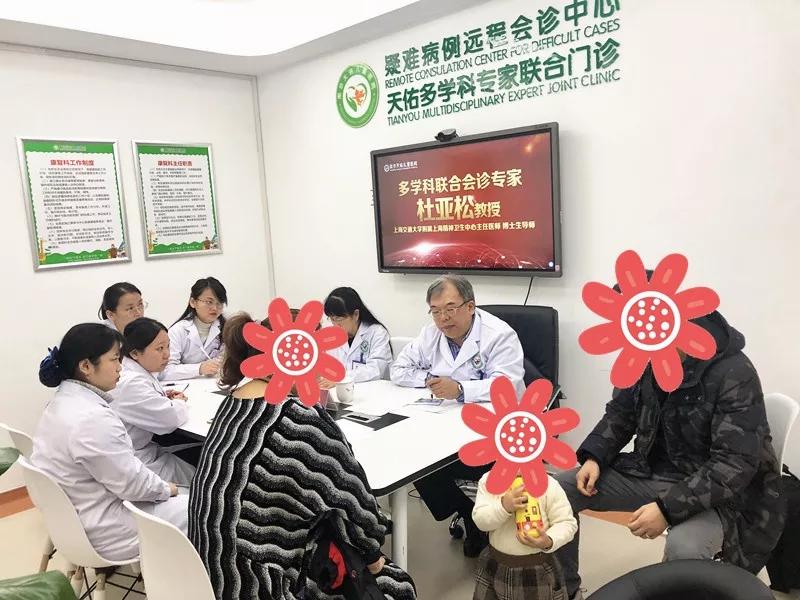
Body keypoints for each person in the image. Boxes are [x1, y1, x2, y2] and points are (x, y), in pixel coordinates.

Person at [554, 308, 785, 600]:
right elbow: (621, 414)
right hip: (654, 471)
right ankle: (564, 590)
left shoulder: (733, 371)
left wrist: (667, 509)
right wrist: (595, 457)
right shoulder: (642, 357)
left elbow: (734, 464)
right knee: (558, 491)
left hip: (726, 496)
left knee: (684, 546)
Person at [189, 312, 416, 600]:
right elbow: (356, 506)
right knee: (397, 586)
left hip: (210, 571)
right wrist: (373, 555)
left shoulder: (235, 401)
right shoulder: (297, 418)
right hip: (257, 584)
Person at [390, 274, 525, 557]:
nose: (443, 319)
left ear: (470, 306)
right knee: (414, 454)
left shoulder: (499, 335)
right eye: (435, 311)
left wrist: (462, 389)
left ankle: (483, 515)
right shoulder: (430, 334)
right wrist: (430, 380)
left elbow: (508, 386)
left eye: (450, 309)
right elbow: (399, 370)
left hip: (497, 424)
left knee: (442, 457)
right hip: (445, 418)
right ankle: (469, 513)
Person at [31, 323, 188, 561]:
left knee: (191, 493)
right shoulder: (91, 418)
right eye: (114, 359)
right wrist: (169, 489)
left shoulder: (61, 402)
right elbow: (134, 486)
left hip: (76, 519)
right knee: (209, 507)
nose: (120, 367)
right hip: (109, 529)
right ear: (86, 366)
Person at [111, 317, 195, 484]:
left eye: (168, 346)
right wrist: (179, 402)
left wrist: (160, 396)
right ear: (135, 353)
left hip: (142, 449)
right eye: (159, 348)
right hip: (135, 463)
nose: (167, 354)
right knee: (201, 474)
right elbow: (170, 419)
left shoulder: (134, 370)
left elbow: (143, 399)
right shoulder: (132, 382)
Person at [472, 474, 577, 600]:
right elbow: (481, 521)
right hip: (494, 563)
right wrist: (503, 506)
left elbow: (567, 523)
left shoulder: (549, 485)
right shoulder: (489, 481)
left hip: (537, 568)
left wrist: (549, 540)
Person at [320, 286, 392, 385]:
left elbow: (376, 369)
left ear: (356, 314)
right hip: (341, 390)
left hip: (372, 389)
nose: (336, 324)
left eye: (339, 319)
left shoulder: (377, 332)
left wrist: (342, 378)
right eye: (332, 319)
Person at [162, 276, 227, 381]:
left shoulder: (226, 328)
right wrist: (199, 368)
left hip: (216, 384)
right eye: (209, 302)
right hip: (185, 386)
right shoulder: (178, 330)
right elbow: (165, 371)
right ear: (193, 302)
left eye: (219, 303)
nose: (215, 308)